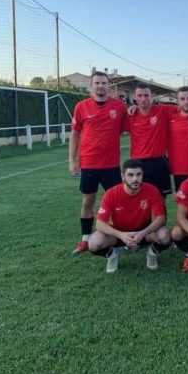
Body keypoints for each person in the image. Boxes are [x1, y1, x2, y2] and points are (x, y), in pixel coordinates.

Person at [69, 71, 127, 255]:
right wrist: (72, 161)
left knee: (118, 203)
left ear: (108, 85)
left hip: (111, 165)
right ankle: (85, 239)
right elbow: (75, 134)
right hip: (88, 164)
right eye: (97, 83)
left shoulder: (119, 106)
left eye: (103, 83)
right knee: (88, 201)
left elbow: (129, 122)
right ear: (91, 85)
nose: (100, 86)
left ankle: (120, 239)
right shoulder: (81, 107)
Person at [88, 159, 171, 273]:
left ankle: (152, 254)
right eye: (130, 175)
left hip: (143, 233)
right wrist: (121, 235)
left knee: (165, 235)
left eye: (138, 174)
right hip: (119, 234)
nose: (135, 179)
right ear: (123, 176)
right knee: (94, 242)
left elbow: (160, 219)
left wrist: (143, 233)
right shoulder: (111, 194)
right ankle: (112, 255)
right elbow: (99, 224)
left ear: (143, 174)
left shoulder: (152, 190)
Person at [125, 82, 174, 197]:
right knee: (139, 198)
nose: (143, 99)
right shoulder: (130, 115)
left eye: (146, 95)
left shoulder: (163, 110)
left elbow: (185, 107)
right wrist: (133, 107)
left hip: (159, 161)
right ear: (135, 97)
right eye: (140, 95)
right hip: (138, 163)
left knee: (160, 198)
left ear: (152, 96)